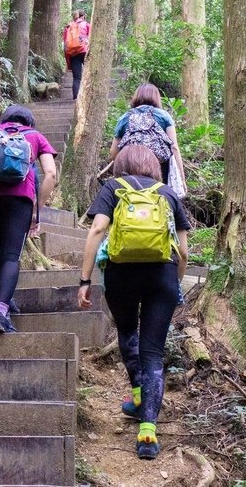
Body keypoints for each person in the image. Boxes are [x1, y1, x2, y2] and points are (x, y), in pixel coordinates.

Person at [77, 146, 191, 460]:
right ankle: (148, 433)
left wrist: (85, 279)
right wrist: (175, 284)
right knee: (153, 353)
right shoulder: (168, 193)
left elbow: (97, 229)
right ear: (154, 167)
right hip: (162, 274)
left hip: (121, 273)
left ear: (121, 164)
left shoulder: (113, 187)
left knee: (127, 331)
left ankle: (139, 394)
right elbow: (183, 252)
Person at [0, 105, 57, 334]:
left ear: (4, 119)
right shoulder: (35, 136)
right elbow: (51, 174)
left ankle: (5, 298)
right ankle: (0, 312)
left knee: (4, 244)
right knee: (11, 254)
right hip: (18, 200)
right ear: (29, 122)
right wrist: (37, 207)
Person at [109, 83, 185, 192]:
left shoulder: (124, 118)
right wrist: (182, 179)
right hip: (158, 164)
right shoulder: (164, 116)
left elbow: (113, 153)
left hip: (130, 164)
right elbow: (174, 148)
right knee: (158, 197)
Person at [63, 9, 91, 99]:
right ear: (83, 16)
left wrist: (68, 60)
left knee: (76, 78)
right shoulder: (86, 24)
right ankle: (89, 97)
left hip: (73, 53)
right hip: (84, 51)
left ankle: (76, 98)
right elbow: (91, 37)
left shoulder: (68, 27)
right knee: (90, 74)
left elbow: (65, 43)